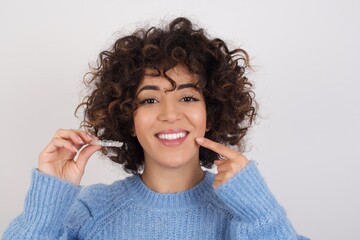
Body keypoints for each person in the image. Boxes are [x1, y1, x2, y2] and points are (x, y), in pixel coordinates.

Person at [3, 17, 308, 239]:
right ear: (128, 119)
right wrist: (48, 203)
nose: (170, 114)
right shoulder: (91, 211)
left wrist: (259, 211)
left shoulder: (244, 211)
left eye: (187, 97)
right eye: (149, 100)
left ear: (210, 113)